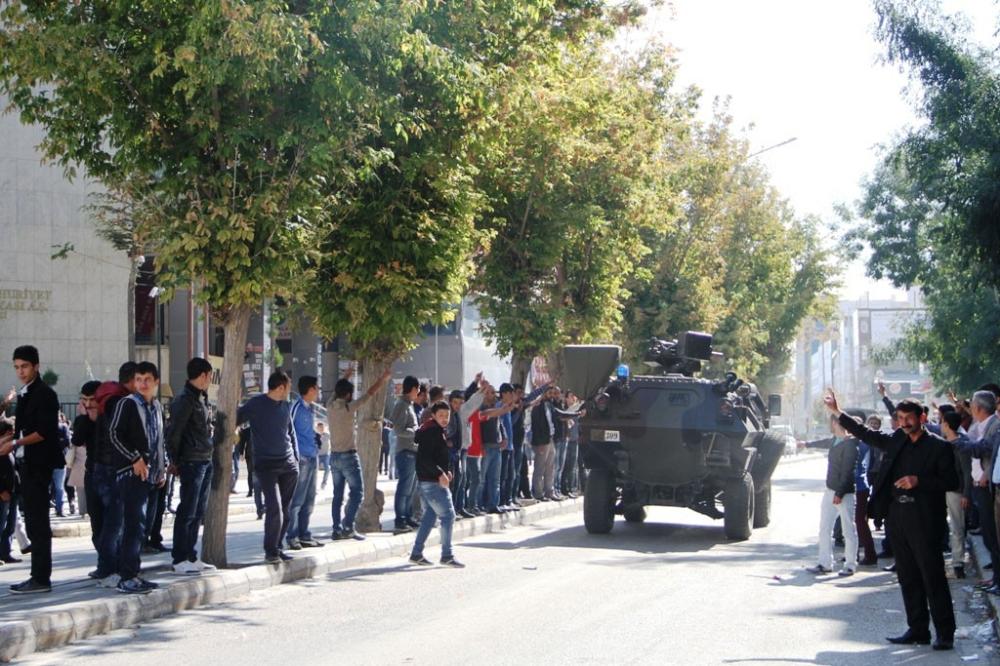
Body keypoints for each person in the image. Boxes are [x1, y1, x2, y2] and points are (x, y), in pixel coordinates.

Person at [825, 389, 958, 651]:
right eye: (900, 418)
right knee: (907, 576)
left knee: (932, 578)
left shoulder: (939, 447)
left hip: (926, 520)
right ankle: (918, 630)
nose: (905, 423)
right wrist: (838, 413)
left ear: (922, 417)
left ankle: (945, 633)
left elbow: (953, 481)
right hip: (897, 517)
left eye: (909, 418)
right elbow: (867, 434)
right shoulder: (897, 439)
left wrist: (918, 481)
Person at [0, 346, 62, 594]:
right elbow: (24, 430)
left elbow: (44, 432)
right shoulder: (26, 394)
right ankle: (37, 576)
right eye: (16, 367)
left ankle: (40, 577)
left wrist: (14, 443)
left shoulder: (44, 394)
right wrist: (10, 440)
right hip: (28, 466)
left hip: (38, 466)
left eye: (24, 366)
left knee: (38, 523)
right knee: (34, 522)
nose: (20, 371)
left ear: (36, 366)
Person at [107, 361, 166, 594]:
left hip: (152, 475)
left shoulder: (157, 406)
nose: (142, 384)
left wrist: (162, 467)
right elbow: (114, 433)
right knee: (133, 524)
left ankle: (134, 573)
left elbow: (160, 439)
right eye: (138, 379)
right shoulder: (127, 404)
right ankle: (126, 576)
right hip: (131, 473)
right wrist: (134, 458)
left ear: (156, 382)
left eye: (147, 380)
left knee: (141, 526)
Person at [237, 371, 299, 564]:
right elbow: (235, 419)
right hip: (266, 465)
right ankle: (270, 551)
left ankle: (278, 547)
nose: (289, 391)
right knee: (274, 509)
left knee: (286, 511)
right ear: (280, 387)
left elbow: (291, 432)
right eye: (288, 387)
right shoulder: (256, 404)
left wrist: (296, 458)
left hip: (288, 465)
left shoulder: (285, 406)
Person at [166, 357, 218, 575]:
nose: (210, 381)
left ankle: (190, 555)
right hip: (191, 460)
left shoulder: (200, 399)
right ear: (204, 375)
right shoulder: (184, 400)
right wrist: (174, 460)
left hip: (204, 459)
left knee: (197, 511)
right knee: (187, 509)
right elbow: (174, 432)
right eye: (209, 376)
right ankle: (179, 557)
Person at [326, 367, 391, 540]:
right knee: (357, 492)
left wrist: (346, 376)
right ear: (348, 395)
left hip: (334, 456)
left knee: (337, 495)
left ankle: (336, 529)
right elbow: (368, 394)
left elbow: (336, 391)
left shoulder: (330, 406)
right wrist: (382, 379)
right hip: (348, 455)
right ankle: (348, 526)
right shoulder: (349, 408)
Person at [92, 363, 137, 587]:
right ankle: (107, 568)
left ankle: (110, 566)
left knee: (113, 521)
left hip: (103, 466)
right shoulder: (119, 402)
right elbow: (118, 436)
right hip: (112, 467)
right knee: (115, 522)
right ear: (132, 380)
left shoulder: (108, 399)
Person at [409, 401, 463, 568]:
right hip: (432, 482)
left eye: (446, 416)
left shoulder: (436, 430)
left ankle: (416, 553)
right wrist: (440, 473)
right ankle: (447, 555)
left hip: (431, 480)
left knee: (430, 517)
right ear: (433, 416)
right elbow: (425, 459)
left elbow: (438, 456)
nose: (444, 419)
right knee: (448, 516)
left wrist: (446, 471)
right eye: (440, 415)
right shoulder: (432, 431)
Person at [806, 414, 859, 576]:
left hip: (844, 493)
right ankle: (825, 563)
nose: (830, 424)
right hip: (830, 490)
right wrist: (806, 444)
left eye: (832, 421)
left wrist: (840, 493)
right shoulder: (835, 440)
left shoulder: (850, 444)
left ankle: (850, 564)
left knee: (848, 529)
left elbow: (847, 472)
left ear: (837, 423)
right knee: (824, 528)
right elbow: (823, 443)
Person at [286, 376, 322, 550]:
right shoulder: (296, 407)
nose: (318, 391)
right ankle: (292, 535)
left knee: (310, 498)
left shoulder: (311, 409)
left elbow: (308, 431)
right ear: (310, 389)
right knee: (297, 499)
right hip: (301, 458)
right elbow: (288, 431)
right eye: (317, 388)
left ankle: (304, 534)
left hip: (313, 456)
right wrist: (294, 455)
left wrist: (316, 440)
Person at [940, 410, 971, 579]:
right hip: (943, 489)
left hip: (956, 490)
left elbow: (967, 471)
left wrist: (966, 493)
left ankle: (958, 564)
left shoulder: (961, 445)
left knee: (957, 528)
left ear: (946, 424)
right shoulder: (943, 443)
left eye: (942, 421)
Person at [390, 376, 421, 533]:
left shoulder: (409, 405)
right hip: (405, 452)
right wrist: (416, 431)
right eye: (418, 390)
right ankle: (400, 519)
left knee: (411, 488)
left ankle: (408, 516)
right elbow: (398, 429)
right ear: (414, 389)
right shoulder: (401, 405)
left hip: (413, 452)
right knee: (404, 488)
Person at [70, 381, 101, 522]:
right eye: (84, 400)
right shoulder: (82, 419)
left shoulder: (109, 416)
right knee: (95, 517)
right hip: (91, 471)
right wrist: (84, 418)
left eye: (92, 399)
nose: (88, 404)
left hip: (109, 473)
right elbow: (77, 440)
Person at [531, 386, 561, 501]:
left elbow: (556, 417)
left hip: (551, 438)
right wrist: (540, 442)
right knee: (540, 467)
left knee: (550, 467)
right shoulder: (537, 406)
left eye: (552, 393)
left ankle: (549, 491)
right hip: (542, 441)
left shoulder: (550, 405)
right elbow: (536, 425)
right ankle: (538, 492)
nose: (551, 395)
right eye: (549, 392)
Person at [0, 419, 20, 565]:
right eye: (10, 431)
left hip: (13, 491)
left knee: (11, 524)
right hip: (3, 492)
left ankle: (6, 552)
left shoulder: (9, 448)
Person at [317, 421, 331, 491]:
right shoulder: (316, 436)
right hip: (318, 455)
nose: (321, 429)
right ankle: (314, 485)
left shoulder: (327, 435)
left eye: (322, 427)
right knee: (314, 470)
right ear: (317, 428)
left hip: (326, 455)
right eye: (320, 428)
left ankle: (323, 483)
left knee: (327, 469)